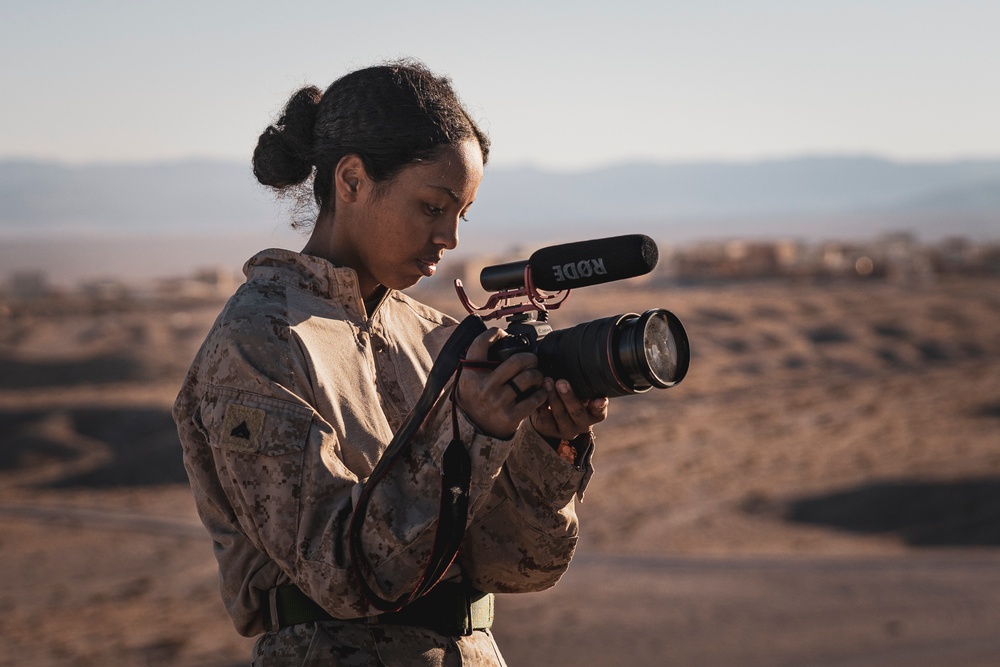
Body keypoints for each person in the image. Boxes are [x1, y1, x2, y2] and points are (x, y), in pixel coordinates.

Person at [173, 60, 607, 666]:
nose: (451, 236)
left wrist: (548, 448)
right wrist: (473, 434)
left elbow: (513, 564)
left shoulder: (437, 339)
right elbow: (344, 576)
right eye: (433, 207)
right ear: (351, 181)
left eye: (463, 213)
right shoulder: (258, 345)